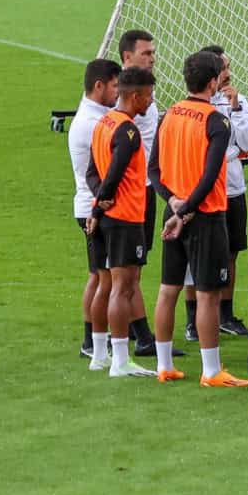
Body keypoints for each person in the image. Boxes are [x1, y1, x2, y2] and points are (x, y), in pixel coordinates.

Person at [148, 51, 248, 387]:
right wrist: (188, 208)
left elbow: (154, 169)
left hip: (174, 209)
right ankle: (211, 371)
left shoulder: (169, 115)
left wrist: (173, 203)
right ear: (213, 82)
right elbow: (209, 176)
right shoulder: (217, 121)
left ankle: (164, 366)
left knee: (168, 289)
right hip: (205, 215)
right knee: (207, 294)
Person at [85, 66, 158, 378]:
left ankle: (100, 355)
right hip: (125, 218)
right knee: (123, 288)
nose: (150, 101)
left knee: (105, 285)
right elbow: (113, 174)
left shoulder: (104, 123)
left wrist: (97, 203)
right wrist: (103, 202)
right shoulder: (128, 131)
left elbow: (91, 173)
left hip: (105, 217)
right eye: (148, 95)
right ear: (135, 96)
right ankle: (120, 361)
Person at [203, 46, 248, 339]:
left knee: (231, 252)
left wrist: (236, 108)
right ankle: (195, 317)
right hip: (206, 188)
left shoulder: (239, 101)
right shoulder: (199, 102)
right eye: (223, 67)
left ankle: (225, 314)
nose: (228, 73)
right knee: (201, 255)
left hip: (234, 186)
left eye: (228, 66)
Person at [116, 30, 163, 357]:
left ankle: (133, 331)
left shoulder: (145, 92)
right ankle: (129, 337)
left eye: (152, 53)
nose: (152, 58)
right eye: (146, 53)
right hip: (127, 194)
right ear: (127, 57)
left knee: (134, 266)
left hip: (143, 190)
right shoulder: (119, 96)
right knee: (119, 271)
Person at [70, 58, 120, 360]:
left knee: (99, 275)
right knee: (104, 278)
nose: (118, 91)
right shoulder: (92, 123)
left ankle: (94, 339)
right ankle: (93, 341)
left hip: (90, 205)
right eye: (114, 86)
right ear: (99, 86)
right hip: (94, 208)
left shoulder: (93, 115)